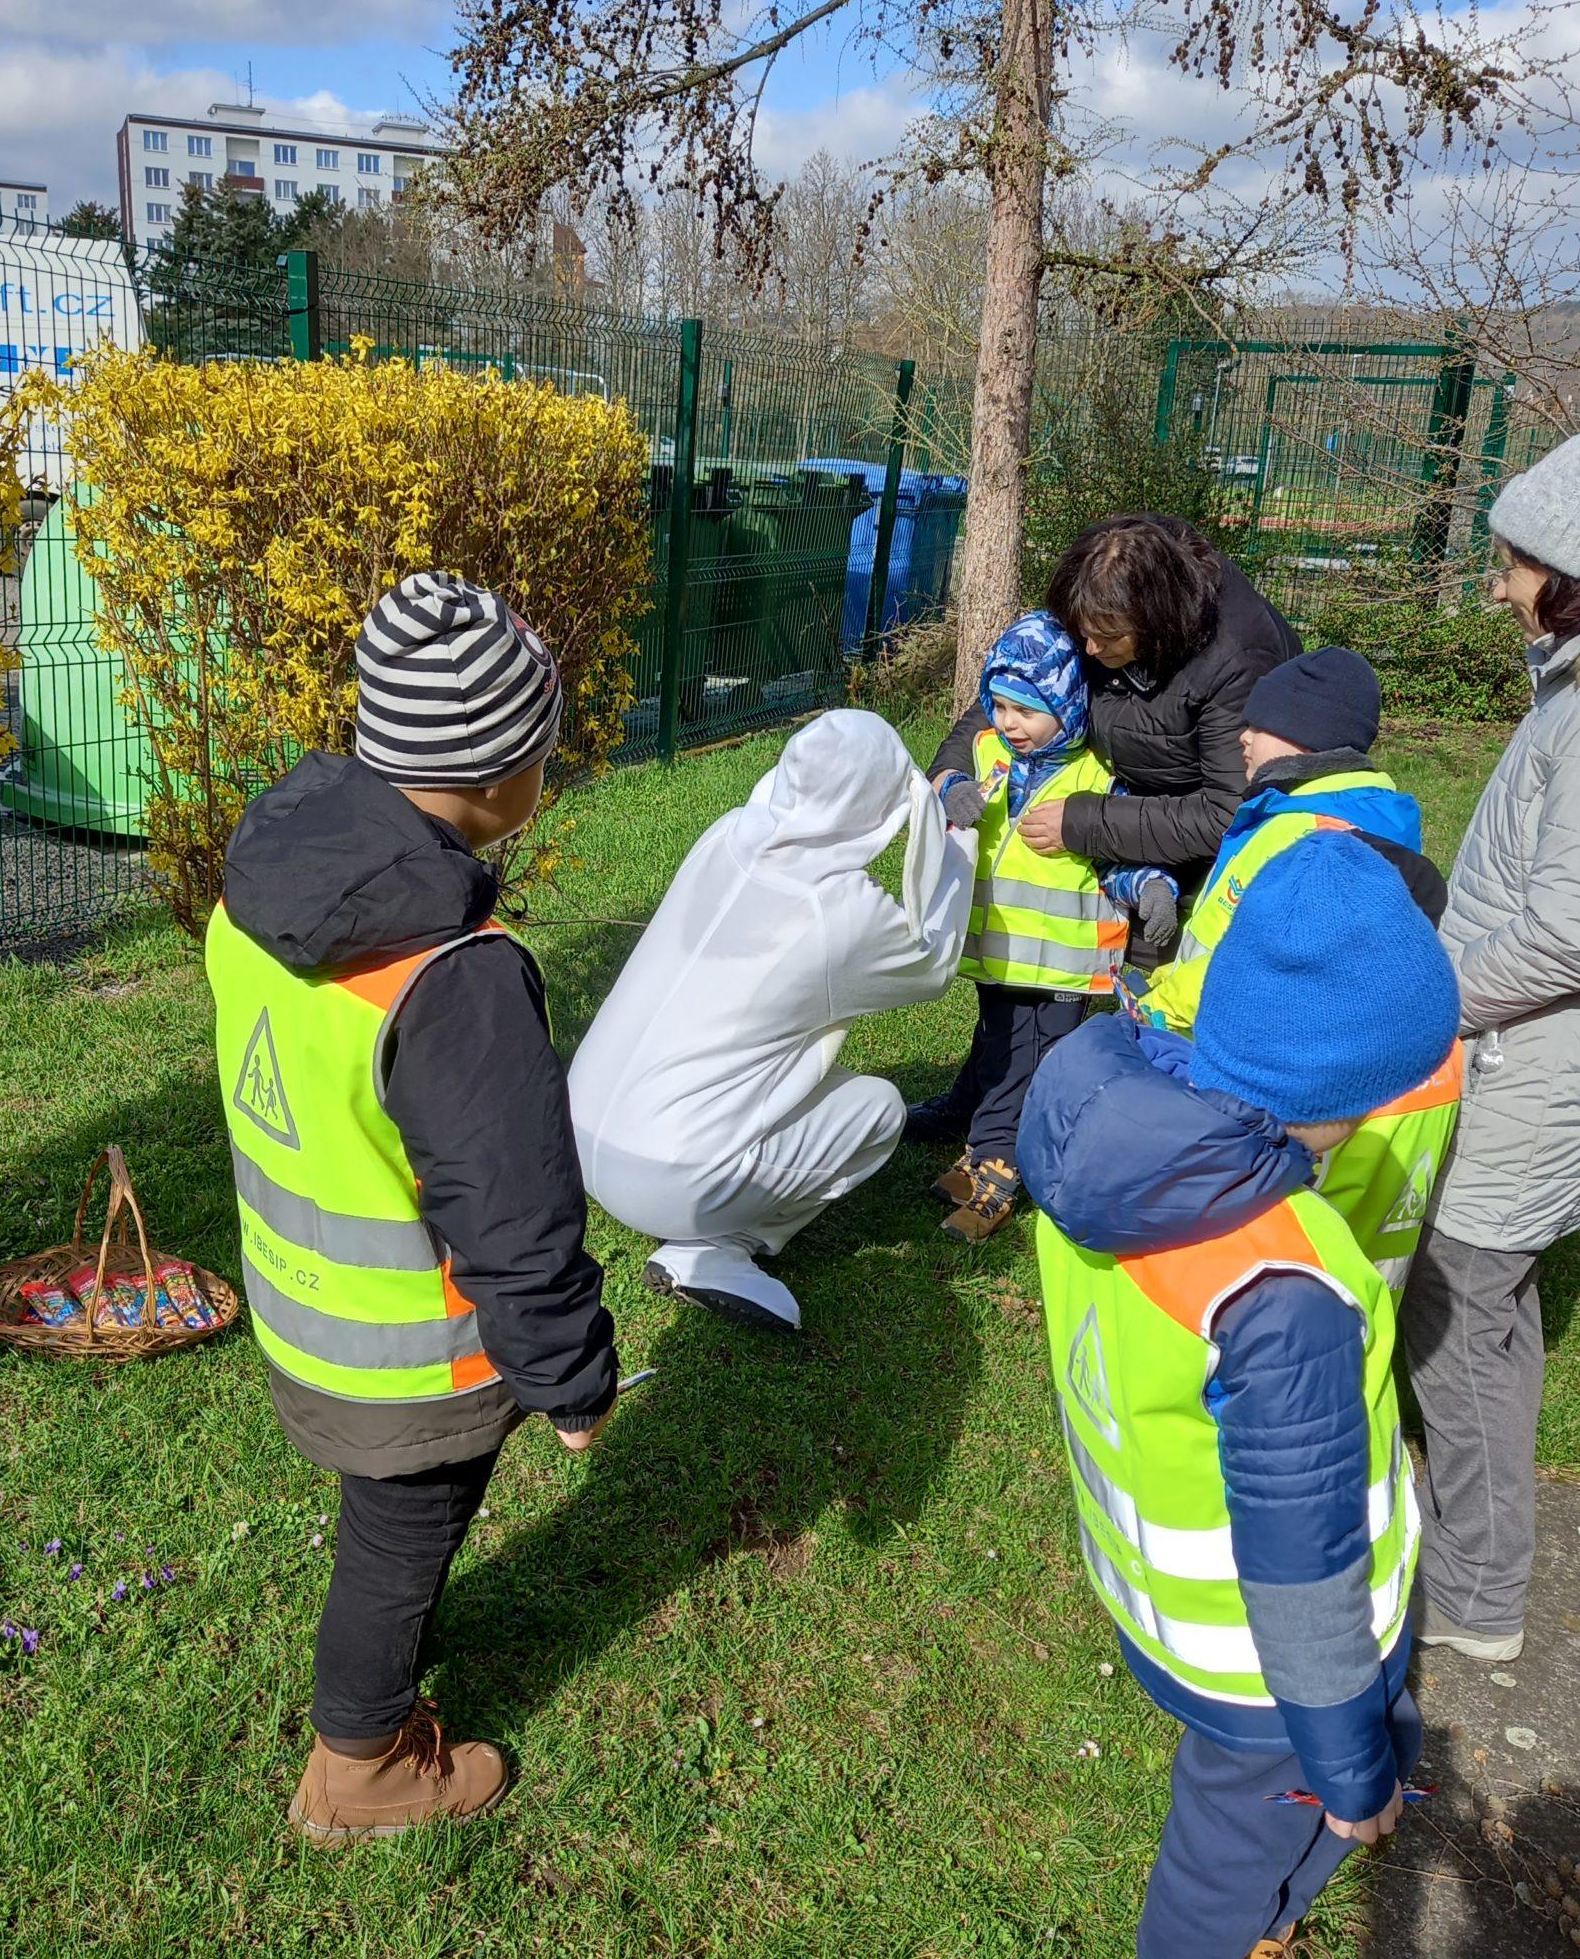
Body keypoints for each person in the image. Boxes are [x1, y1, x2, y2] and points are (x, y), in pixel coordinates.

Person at [1018, 834, 1460, 1959]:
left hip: (1170, 1580)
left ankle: (1265, 1927)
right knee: (1236, 1839)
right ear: (1360, 1080)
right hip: (1265, 1659)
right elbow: (1302, 1559)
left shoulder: (1125, 1135)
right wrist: (1347, 1762)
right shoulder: (1287, 1287)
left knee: (1290, 1808)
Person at [205, 572, 620, 1843]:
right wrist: (572, 1382)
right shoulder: (456, 977)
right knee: (399, 1539)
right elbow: (515, 1213)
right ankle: (360, 1765)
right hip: (410, 1359)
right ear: (500, 780)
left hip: (301, 1304)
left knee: (390, 1528)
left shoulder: (269, 891)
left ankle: (377, 1688)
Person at [1401, 413, 1580, 1664]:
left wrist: (1427, 1001)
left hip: (1533, 1073)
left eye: (1515, 565)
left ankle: (1479, 1593)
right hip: (1532, 1067)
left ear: (1579, 577)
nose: (1500, 586)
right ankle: (1466, 1531)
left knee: (1457, 1317)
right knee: (1491, 1312)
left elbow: (1566, 940)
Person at [569, 708, 975, 1331]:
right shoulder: (839, 910)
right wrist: (957, 838)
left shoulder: (729, 833)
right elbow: (933, 965)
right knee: (877, 1108)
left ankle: (710, 1224)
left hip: (580, 1126)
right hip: (667, 1179)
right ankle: (719, 1249)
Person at [1136, 645, 1460, 1291]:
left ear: (1305, 737)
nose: (1243, 736)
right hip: (1397, 1088)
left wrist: (1149, 1018)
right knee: (1360, 1283)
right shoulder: (1376, 815)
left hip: (1303, 1092)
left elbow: (1236, 968)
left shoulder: (1293, 837)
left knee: (1282, 1272)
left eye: (1260, 723)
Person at [906, 610, 1178, 1243]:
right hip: (1000, 954)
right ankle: (974, 1133)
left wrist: (1153, 886)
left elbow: (1120, 855)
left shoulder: (1095, 778)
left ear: (1066, 703)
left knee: (1025, 1063)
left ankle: (999, 1162)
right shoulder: (988, 755)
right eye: (999, 706)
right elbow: (940, 788)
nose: (1008, 723)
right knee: (999, 1041)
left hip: (1063, 967)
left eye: (1025, 710)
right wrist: (950, 793)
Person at [934, 516, 1300, 919]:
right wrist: (950, 775)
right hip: (1106, 817)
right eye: (1080, 632)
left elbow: (1228, 810)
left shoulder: (1237, 660)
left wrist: (1085, 823)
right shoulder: (1096, 588)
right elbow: (1016, 689)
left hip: (1191, 847)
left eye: (1107, 639)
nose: (1089, 649)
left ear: (1155, 623)